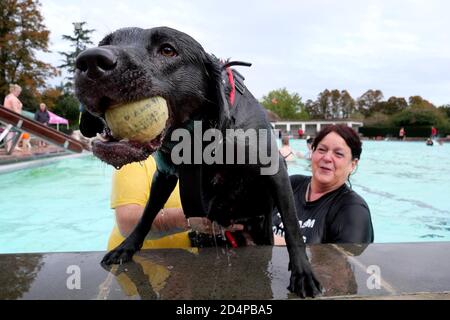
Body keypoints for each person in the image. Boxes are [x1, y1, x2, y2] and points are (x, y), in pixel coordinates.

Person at [108, 155, 243, 251]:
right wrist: (188, 219)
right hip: (137, 264)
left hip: (185, 267)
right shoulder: (138, 159)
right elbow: (126, 223)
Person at [273, 124, 374, 244]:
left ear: (353, 164)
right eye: (322, 150)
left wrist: (272, 240)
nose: (327, 158)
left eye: (339, 154)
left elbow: (343, 261)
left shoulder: (353, 211)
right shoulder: (292, 184)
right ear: (312, 153)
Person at [2, 84, 23, 152]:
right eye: (19, 92)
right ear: (15, 91)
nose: (19, 93)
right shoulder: (13, 98)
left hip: (7, 116)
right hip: (13, 117)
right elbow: (15, 110)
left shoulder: (8, 96)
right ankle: (12, 146)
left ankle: (11, 146)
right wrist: (20, 117)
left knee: (10, 132)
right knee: (17, 132)